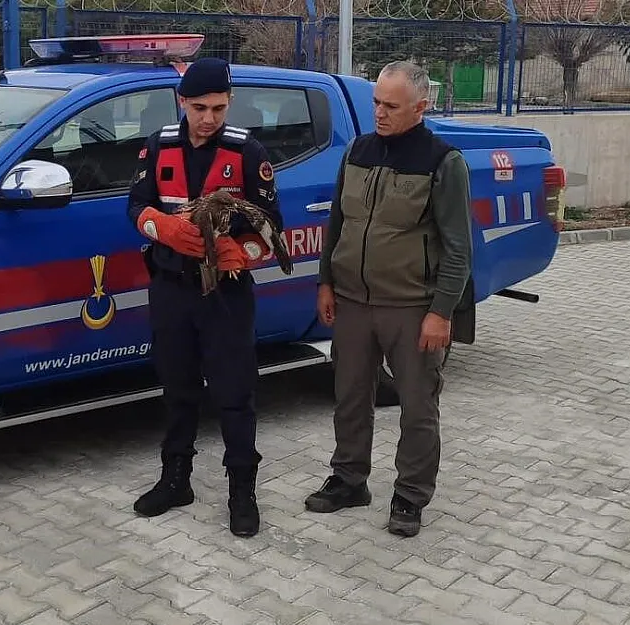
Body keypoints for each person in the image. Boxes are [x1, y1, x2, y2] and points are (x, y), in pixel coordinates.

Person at [303, 60, 473, 537]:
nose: (379, 112)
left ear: (421, 107)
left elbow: (459, 247)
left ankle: (410, 497)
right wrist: (325, 281)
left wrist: (441, 312)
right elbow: (337, 222)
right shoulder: (357, 151)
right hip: (354, 303)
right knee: (350, 398)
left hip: (412, 308)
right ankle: (348, 481)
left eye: (391, 106)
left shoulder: (444, 163)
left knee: (418, 407)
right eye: (376, 102)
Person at [126, 57, 284, 538]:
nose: (209, 118)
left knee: (235, 396)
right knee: (177, 390)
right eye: (199, 107)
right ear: (181, 102)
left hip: (226, 297)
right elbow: (135, 205)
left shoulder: (246, 151)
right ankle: (176, 479)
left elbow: (274, 225)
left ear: (229, 102)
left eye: (218, 107)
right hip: (171, 289)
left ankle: (242, 492)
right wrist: (163, 227)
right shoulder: (158, 147)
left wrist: (245, 251)